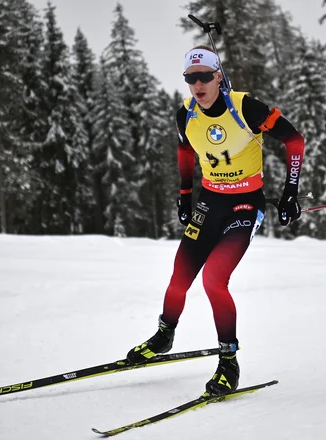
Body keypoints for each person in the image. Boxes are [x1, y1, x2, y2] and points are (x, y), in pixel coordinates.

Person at [126, 45, 306, 396]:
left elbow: (294, 140)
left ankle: (228, 362)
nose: (198, 85)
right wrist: (184, 194)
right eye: (190, 79)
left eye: (204, 76)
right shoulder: (185, 115)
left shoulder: (246, 108)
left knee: (213, 279)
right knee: (180, 275)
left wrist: (290, 192)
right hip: (210, 202)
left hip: (245, 205)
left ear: (217, 76)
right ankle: (164, 335)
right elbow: (183, 151)